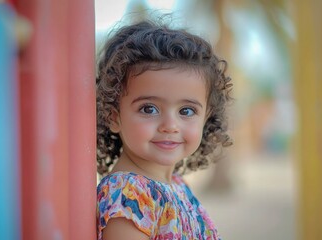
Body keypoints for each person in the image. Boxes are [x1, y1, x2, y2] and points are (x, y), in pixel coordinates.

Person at [96, 19, 232, 240]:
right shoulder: (127, 195)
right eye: (149, 108)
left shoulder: (175, 184)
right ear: (114, 116)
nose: (170, 126)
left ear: (205, 117)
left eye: (186, 111)